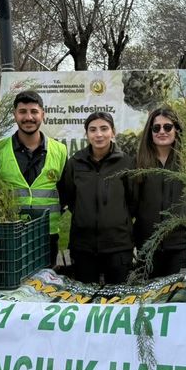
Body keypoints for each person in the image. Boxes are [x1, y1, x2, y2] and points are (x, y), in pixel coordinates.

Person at [0, 90, 67, 267]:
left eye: (34, 111)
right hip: (10, 233)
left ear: (43, 115)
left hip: (47, 235)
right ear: (14, 115)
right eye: (22, 112)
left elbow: (65, 191)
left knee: (44, 286)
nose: (28, 117)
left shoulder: (59, 150)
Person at [58, 112, 135, 284]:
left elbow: (133, 200)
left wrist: (115, 218)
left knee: (118, 300)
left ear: (113, 132)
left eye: (104, 129)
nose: (98, 134)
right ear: (87, 134)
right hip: (83, 246)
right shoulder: (75, 163)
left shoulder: (127, 163)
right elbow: (70, 197)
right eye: (92, 130)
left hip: (118, 245)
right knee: (85, 301)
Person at [134, 107, 186, 277]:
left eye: (168, 127)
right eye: (156, 128)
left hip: (181, 246)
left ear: (176, 130)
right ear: (150, 131)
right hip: (148, 246)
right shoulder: (138, 164)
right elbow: (131, 202)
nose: (162, 132)